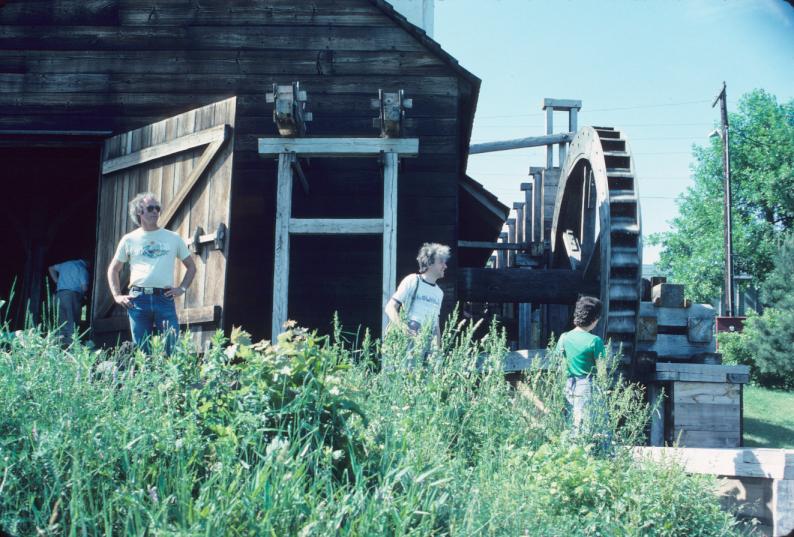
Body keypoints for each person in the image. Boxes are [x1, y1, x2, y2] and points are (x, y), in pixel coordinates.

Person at [107, 192, 196, 354]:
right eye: (150, 208)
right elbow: (113, 269)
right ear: (139, 212)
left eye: (157, 208)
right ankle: (145, 378)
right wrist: (117, 295)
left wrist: (181, 288)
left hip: (164, 298)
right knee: (142, 350)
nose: (155, 211)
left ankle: (171, 379)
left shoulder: (173, 238)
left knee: (172, 346)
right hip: (137, 300)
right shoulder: (129, 239)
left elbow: (191, 266)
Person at [555, 295, 606, 435]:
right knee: (589, 424)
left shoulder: (564, 337)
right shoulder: (595, 341)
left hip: (568, 385)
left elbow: (558, 364)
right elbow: (602, 373)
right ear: (594, 320)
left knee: (571, 422)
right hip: (587, 385)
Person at [384, 243, 450, 350]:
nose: (445, 266)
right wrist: (403, 328)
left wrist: (437, 350)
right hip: (411, 335)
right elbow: (390, 307)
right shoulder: (412, 280)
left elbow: (436, 323)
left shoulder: (439, 293)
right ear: (429, 263)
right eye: (441, 262)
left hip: (430, 337)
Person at [48, 258, 90, 345]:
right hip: (72, 296)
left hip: (59, 294)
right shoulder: (82, 269)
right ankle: (71, 347)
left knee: (61, 323)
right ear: (87, 263)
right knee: (72, 322)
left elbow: (51, 268)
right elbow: (84, 288)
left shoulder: (65, 264)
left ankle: (60, 345)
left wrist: (57, 281)